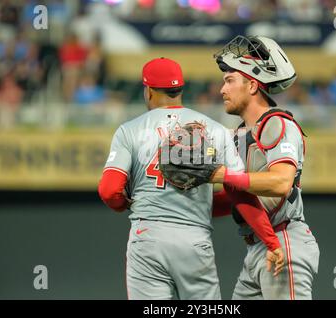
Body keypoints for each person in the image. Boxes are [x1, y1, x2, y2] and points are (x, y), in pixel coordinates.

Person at [97, 57, 283, 300]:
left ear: (149, 91)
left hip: (147, 236)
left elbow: (109, 191)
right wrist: (271, 241)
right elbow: (239, 192)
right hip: (194, 238)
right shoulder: (215, 130)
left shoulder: (129, 130)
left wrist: (127, 203)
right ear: (180, 89)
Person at [210, 36, 320, 299]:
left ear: (252, 85)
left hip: (284, 240)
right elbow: (240, 196)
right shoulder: (239, 135)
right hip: (260, 246)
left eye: (229, 80)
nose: (222, 90)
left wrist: (223, 175)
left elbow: (281, 182)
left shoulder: (277, 124)